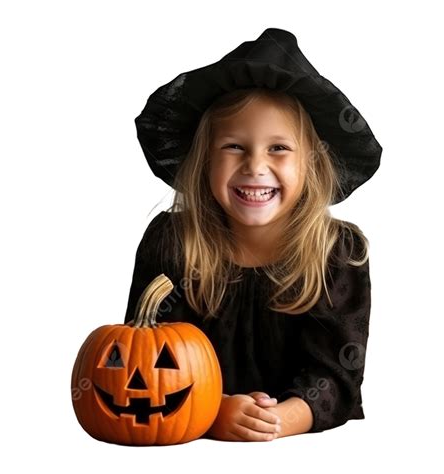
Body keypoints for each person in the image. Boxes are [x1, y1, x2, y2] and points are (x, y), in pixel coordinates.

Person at [124, 28, 382, 442]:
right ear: (204, 160)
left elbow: (337, 375)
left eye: (278, 148)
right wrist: (214, 410)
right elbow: (144, 359)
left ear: (311, 165)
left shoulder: (337, 252)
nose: (255, 166)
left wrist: (279, 420)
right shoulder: (173, 241)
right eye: (233, 147)